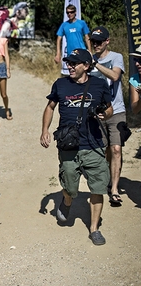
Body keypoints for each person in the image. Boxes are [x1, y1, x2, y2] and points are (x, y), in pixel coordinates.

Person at [40, 49, 113, 246]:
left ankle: (94, 228)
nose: (70, 66)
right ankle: (68, 200)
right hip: (68, 145)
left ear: (86, 66)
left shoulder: (99, 84)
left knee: (98, 188)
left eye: (74, 63)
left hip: (94, 145)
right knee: (70, 187)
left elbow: (109, 108)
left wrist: (103, 114)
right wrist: (45, 130)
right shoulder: (61, 84)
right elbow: (50, 107)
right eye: (68, 63)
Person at [89, 26, 126, 205]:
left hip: (117, 109)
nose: (95, 45)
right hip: (98, 114)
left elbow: (115, 77)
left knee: (116, 149)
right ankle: (107, 179)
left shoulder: (116, 57)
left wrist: (95, 64)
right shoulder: (89, 60)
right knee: (104, 150)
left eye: (99, 42)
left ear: (107, 41)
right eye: (93, 42)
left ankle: (114, 189)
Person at [129, 46, 141, 114]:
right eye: (135, 60)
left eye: (140, 60)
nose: (137, 64)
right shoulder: (134, 79)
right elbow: (135, 110)